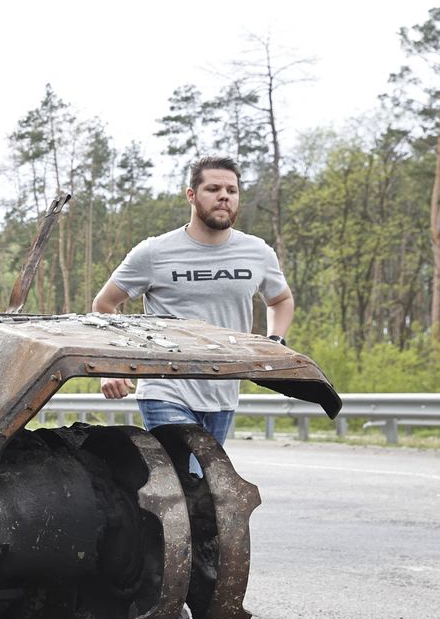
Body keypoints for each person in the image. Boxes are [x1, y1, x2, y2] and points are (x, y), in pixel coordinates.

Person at [91, 155, 294, 445]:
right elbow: (104, 305)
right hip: (164, 390)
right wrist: (110, 366)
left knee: (200, 486)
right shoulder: (154, 252)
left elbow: (281, 300)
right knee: (191, 474)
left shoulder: (257, 252)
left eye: (231, 191)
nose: (224, 196)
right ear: (191, 195)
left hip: (222, 392)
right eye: (213, 189)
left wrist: (274, 341)